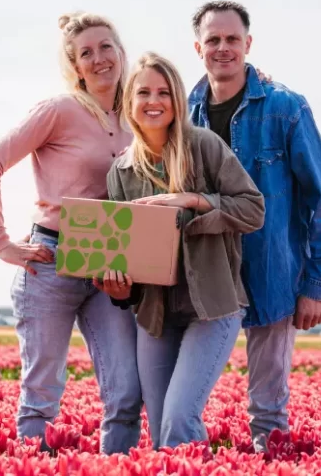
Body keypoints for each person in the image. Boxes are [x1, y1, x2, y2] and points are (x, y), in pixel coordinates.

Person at [0, 11, 143, 455]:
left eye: (106, 47)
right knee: (42, 392)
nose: (99, 58)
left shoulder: (139, 113)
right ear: (75, 65)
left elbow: (186, 110)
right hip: (50, 260)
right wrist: (2, 244)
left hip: (113, 264)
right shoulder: (59, 110)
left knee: (126, 390)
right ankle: (34, 464)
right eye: (86, 53)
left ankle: (120, 466)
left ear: (122, 52)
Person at [185, 0, 321, 451]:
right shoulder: (183, 114)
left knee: (268, 406)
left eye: (232, 39)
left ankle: (271, 462)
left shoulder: (285, 108)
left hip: (271, 270)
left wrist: (317, 283)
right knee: (183, 398)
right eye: (213, 40)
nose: (223, 48)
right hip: (204, 272)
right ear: (198, 47)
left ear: (248, 44)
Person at [95, 51, 265, 449]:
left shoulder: (205, 146)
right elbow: (125, 258)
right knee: (159, 429)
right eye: (143, 93)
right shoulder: (121, 172)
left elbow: (253, 209)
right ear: (129, 103)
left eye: (163, 92)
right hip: (156, 313)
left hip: (213, 306)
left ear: (176, 99)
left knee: (178, 418)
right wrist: (120, 289)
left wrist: (192, 200)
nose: (153, 101)